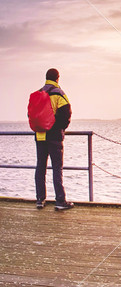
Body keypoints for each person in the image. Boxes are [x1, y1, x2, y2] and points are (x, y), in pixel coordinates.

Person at [35, 68, 74, 211]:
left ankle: (40, 199)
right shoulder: (59, 93)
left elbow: (30, 114)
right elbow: (66, 114)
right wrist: (60, 128)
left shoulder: (38, 93)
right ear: (58, 78)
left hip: (40, 136)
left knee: (40, 167)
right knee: (57, 168)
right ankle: (60, 201)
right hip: (54, 137)